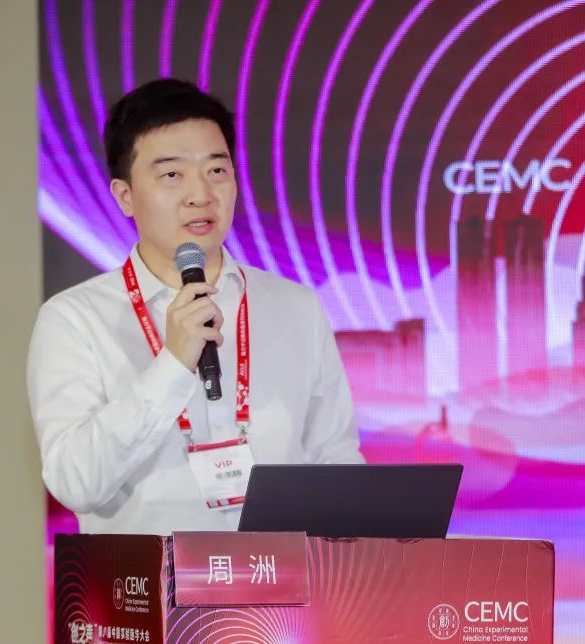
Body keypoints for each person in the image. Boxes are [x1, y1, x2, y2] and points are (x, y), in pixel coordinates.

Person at [28, 78, 363, 535]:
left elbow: (335, 459)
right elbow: (75, 482)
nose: (200, 194)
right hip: (145, 578)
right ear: (125, 196)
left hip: (277, 577)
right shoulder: (75, 320)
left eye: (216, 170)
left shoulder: (295, 308)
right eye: (172, 175)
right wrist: (173, 364)